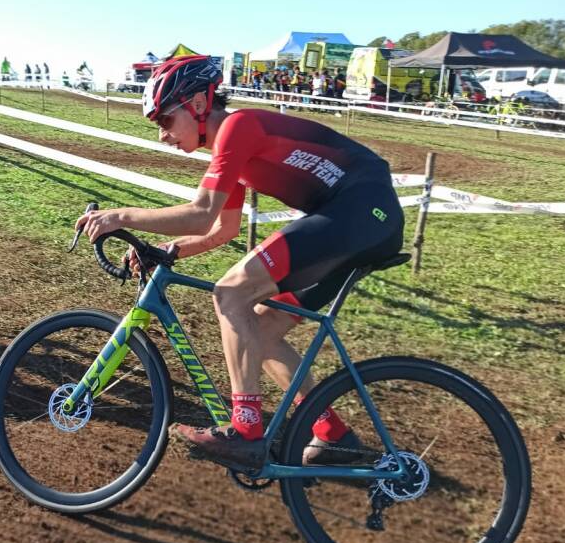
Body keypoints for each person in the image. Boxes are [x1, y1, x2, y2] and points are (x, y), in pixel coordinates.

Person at [76, 55, 404, 470]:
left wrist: (120, 217)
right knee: (261, 328)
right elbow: (220, 229)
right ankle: (332, 435)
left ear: (196, 104)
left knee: (230, 292)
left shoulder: (238, 127)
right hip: (357, 220)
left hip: (360, 210)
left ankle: (245, 429)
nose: (162, 136)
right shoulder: (229, 146)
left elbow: (200, 212)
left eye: (164, 121)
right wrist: (166, 250)